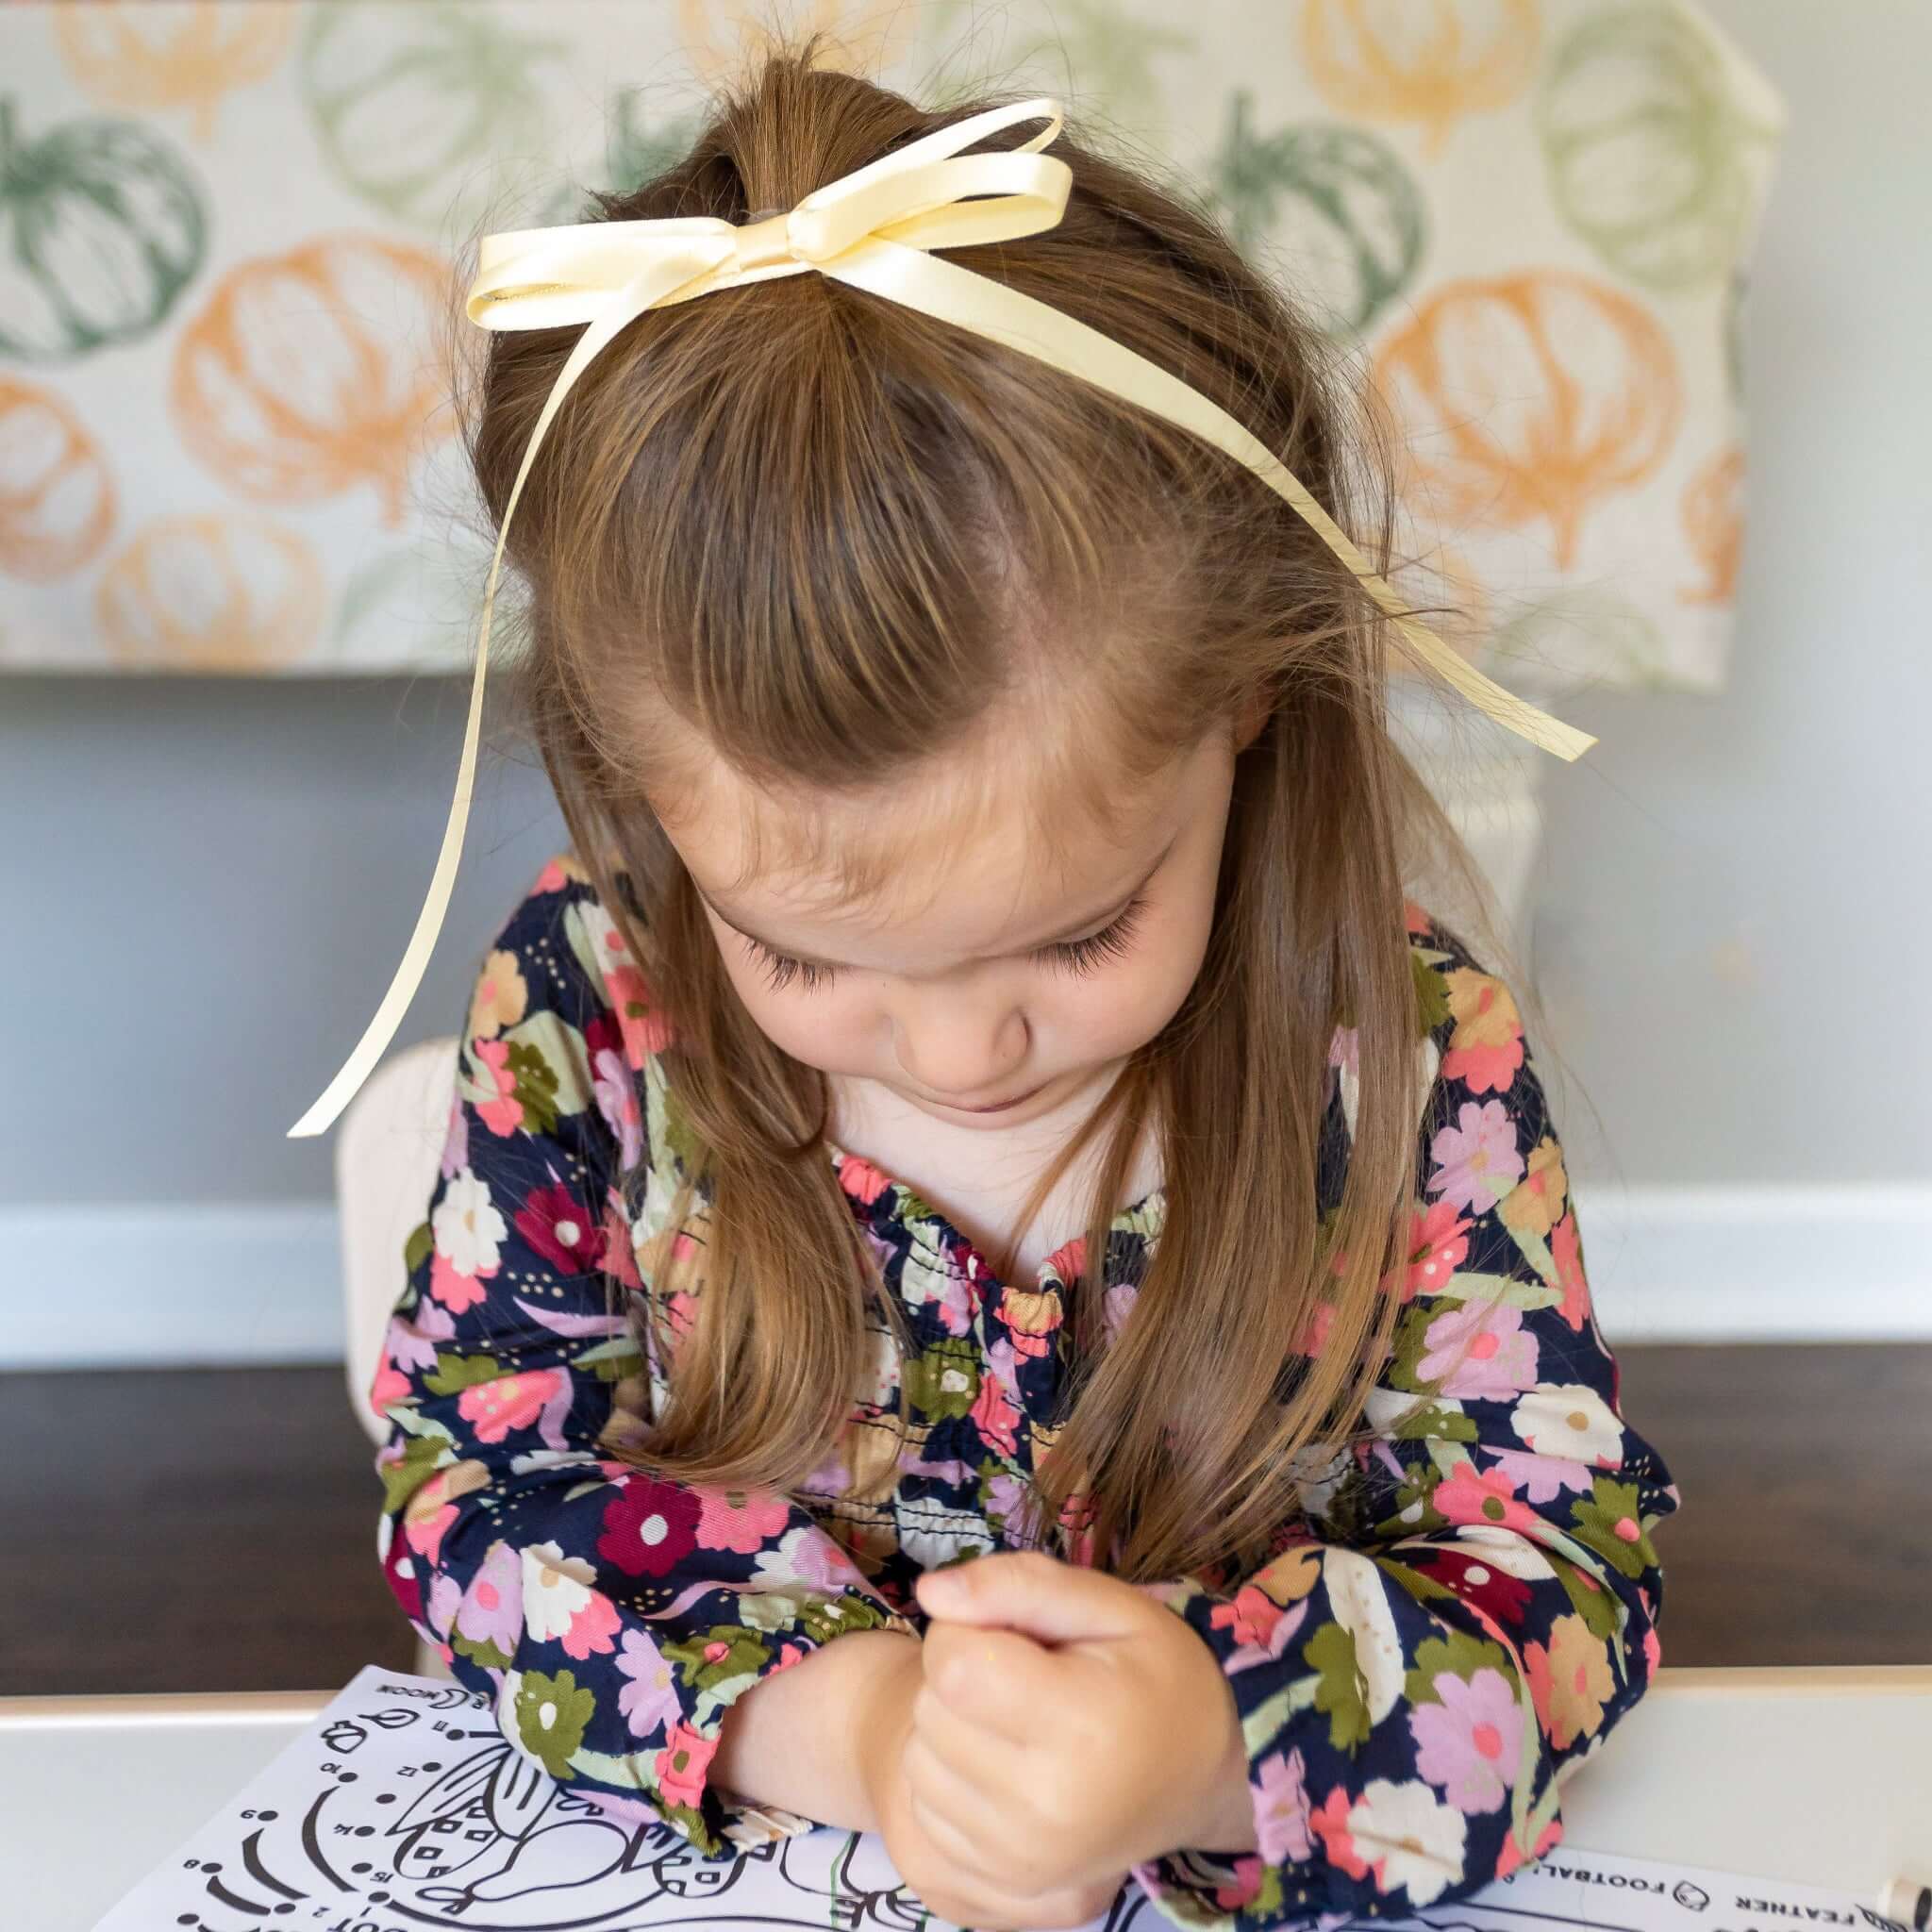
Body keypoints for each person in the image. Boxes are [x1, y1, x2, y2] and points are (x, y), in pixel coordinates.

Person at [365, 35, 1677, 1932]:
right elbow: (474, 1501)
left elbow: (1557, 1563)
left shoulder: (1405, 1068)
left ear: (1246, 699)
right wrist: (869, 1729)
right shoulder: (589, 1020)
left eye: (1075, 935)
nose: (970, 1047)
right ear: (654, 799)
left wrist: (1210, 1744)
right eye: (808, 954)